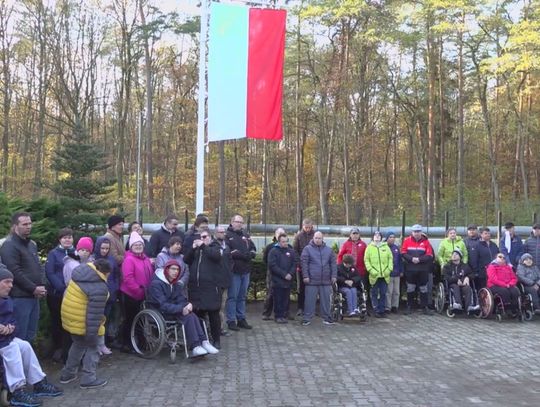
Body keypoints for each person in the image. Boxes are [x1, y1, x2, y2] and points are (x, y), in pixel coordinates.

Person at [0, 262, 63, 407]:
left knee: (24, 345)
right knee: (13, 349)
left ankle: (38, 382)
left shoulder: (7, 300)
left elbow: (13, 320)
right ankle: (17, 391)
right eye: (6, 282)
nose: (10, 286)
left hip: (5, 338)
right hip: (3, 343)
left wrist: (11, 327)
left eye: (11, 282)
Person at [148, 260, 218, 357]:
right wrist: (181, 309)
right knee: (189, 317)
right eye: (173, 269)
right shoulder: (156, 284)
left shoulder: (175, 283)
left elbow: (180, 298)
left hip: (174, 310)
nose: (176, 272)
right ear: (166, 270)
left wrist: (187, 305)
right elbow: (163, 304)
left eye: (177, 269)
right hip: (160, 312)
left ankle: (204, 342)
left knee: (192, 315)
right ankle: (195, 346)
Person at [60, 259, 111, 389]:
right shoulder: (99, 287)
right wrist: (93, 336)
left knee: (78, 344)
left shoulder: (80, 273)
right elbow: (94, 314)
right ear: (106, 272)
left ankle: (67, 374)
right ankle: (88, 378)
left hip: (71, 319)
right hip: (85, 321)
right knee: (94, 347)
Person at [0, 212, 46, 342]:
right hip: (20, 298)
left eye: (30, 223)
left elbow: (38, 266)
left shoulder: (31, 244)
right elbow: (14, 271)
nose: (29, 226)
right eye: (25, 224)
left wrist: (41, 285)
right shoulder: (9, 245)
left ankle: (27, 362)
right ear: (15, 226)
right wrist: (33, 288)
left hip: (34, 297)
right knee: (20, 338)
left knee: (30, 335)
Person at [184, 231, 222, 349]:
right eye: (200, 237)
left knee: (213, 314)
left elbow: (215, 256)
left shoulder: (215, 247)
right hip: (196, 288)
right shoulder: (196, 250)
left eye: (204, 237)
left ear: (210, 238)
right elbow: (186, 260)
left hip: (210, 288)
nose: (201, 239)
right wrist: (192, 248)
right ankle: (201, 339)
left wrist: (203, 246)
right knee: (197, 314)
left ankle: (216, 340)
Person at [119, 232, 154, 352]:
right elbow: (128, 279)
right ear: (131, 246)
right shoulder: (129, 259)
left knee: (140, 320)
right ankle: (127, 344)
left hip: (143, 294)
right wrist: (138, 291)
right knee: (130, 320)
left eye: (140, 244)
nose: (138, 246)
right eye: (135, 245)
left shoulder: (146, 259)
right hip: (131, 295)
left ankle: (140, 342)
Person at [45, 228, 74, 362]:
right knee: (57, 321)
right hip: (56, 294)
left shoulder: (76, 253)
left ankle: (69, 349)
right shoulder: (53, 254)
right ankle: (58, 348)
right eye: (64, 237)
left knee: (69, 322)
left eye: (69, 237)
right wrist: (61, 287)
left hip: (72, 295)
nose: (67, 239)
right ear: (60, 239)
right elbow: (50, 273)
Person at [225, 214, 256, 331]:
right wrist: (242, 255)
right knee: (232, 296)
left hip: (246, 271)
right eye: (237, 222)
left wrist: (251, 253)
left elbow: (253, 248)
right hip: (234, 271)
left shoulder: (246, 235)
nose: (239, 224)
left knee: (242, 297)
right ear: (232, 222)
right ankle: (231, 320)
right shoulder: (227, 235)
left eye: (241, 222)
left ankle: (241, 318)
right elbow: (229, 252)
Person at [300, 231, 337, 326]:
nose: (317, 240)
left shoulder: (329, 250)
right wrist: (305, 276)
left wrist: (334, 276)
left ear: (322, 239)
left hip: (326, 280)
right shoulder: (307, 249)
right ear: (313, 238)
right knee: (309, 300)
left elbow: (333, 264)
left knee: (326, 301)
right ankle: (307, 318)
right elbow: (304, 264)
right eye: (316, 238)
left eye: (319, 238)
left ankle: (327, 317)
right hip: (311, 280)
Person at [92, 238, 121, 353]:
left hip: (111, 294)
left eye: (107, 248)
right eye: (102, 248)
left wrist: (115, 288)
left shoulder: (111, 259)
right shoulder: (94, 260)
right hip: (98, 296)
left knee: (106, 320)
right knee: (96, 321)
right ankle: (95, 345)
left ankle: (103, 344)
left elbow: (116, 275)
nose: (104, 250)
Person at [401, 224, 434, 315]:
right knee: (410, 288)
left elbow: (429, 255)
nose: (416, 233)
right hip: (410, 269)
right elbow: (403, 253)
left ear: (421, 232)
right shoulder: (407, 241)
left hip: (423, 269)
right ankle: (409, 306)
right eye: (415, 232)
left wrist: (419, 259)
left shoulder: (426, 242)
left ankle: (424, 307)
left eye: (418, 231)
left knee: (423, 288)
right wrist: (411, 259)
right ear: (412, 232)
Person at [267, 233, 297, 323]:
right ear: (279, 242)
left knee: (285, 298)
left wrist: (290, 274)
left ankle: (284, 315)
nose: (285, 243)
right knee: (278, 299)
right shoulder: (273, 251)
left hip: (288, 280)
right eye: (283, 242)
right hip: (277, 280)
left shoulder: (291, 251)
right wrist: (284, 274)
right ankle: (278, 316)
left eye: (286, 241)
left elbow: (294, 263)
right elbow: (272, 265)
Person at [364, 231, 393, 318]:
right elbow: (366, 260)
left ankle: (382, 310)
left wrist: (389, 269)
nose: (377, 237)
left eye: (379, 235)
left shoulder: (386, 247)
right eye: (375, 235)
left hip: (384, 275)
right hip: (374, 276)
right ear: (373, 237)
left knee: (383, 293)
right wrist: (371, 271)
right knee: (374, 293)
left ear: (381, 237)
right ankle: (376, 310)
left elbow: (390, 259)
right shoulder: (369, 248)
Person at [292, 219, 314, 317]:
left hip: (313, 266)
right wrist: (299, 262)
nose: (308, 229)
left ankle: (311, 308)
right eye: (306, 227)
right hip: (301, 266)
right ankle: (300, 308)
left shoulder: (315, 235)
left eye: (309, 227)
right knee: (301, 287)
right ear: (303, 226)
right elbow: (294, 251)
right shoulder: (298, 236)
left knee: (312, 287)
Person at [262, 227, 285, 320]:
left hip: (284, 274)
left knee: (283, 294)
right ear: (275, 235)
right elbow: (265, 260)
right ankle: (266, 313)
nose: (281, 235)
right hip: (271, 273)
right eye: (279, 233)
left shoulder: (288, 247)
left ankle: (282, 313)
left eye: (283, 234)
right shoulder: (270, 247)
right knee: (270, 294)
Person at [215, 226, 233, 336]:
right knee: (214, 307)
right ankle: (213, 328)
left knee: (222, 306)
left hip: (225, 281)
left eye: (224, 232)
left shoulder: (227, 246)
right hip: (215, 282)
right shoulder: (212, 246)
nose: (223, 234)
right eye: (220, 232)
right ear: (215, 233)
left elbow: (230, 261)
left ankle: (221, 327)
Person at [384, 231, 402, 313]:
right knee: (389, 291)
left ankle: (395, 306)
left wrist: (401, 270)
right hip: (388, 273)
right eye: (390, 237)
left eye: (393, 237)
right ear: (387, 238)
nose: (392, 239)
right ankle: (388, 307)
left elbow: (399, 260)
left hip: (397, 273)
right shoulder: (384, 247)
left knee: (396, 291)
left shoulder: (396, 248)